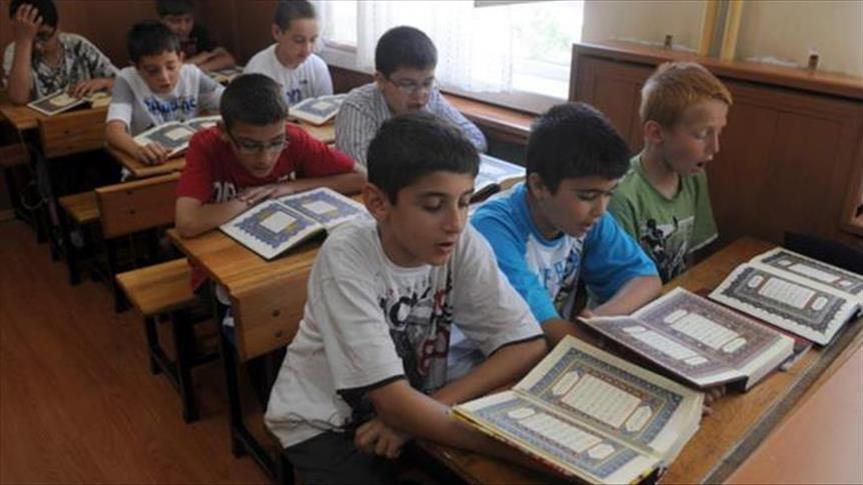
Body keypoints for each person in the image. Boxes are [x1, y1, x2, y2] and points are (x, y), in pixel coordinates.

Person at [265, 112, 546, 484]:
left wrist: (420, 413)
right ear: (378, 203)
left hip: (415, 403)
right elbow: (393, 402)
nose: (456, 223)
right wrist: (524, 452)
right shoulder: (347, 255)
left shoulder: (461, 243)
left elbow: (526, 345)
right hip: (324, 423)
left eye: (464, 202)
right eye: (433, 206)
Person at [472, 103, 661, 346]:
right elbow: (544, 326)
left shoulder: (586, 218)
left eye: (609, 193)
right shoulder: (493, 229)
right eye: (587, 196)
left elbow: (646, 279)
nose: (601, 209)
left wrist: (600, 318)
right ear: (539, 186)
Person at [175, 73, 363, 291]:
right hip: (220, 267)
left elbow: (363, 178)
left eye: (276, 142)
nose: (265, 158)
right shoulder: (206, 146)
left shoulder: (294, 138)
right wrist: (250, 200)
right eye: (250, 145)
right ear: (224, 132)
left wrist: (290, 187)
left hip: (284, 257)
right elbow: (187, 222)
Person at [608, 62, 732, 282]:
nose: (715, 148)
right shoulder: (622, 194)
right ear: (656, 133)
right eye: (702, 134)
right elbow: (619, 283)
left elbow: (691, 260)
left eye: (719, 133)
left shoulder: (694, 177)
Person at [335, 26, 486, 168]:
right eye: (408, 85)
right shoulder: (357, 107)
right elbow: (364, 169)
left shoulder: (432, 97)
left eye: (427, 82)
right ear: (381, 80)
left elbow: (476, 140)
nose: (420, 96)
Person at [105, 20, 224, 166]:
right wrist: (138, 150)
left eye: (171, 67)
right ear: (136, 67)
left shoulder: (191, 74)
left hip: (191, 158)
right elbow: (113, 131)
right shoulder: (127, 79)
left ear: (180, 59)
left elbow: (230, 102)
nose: (164, 77)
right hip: (148, 162)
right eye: (152, 71)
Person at [3, 0, 116, 104]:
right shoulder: (15, 51)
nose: (38, 46)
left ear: (58, 28)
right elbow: (18, 98)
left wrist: (104, 82)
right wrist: (24, 41)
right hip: (39, 119)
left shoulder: (77, 45)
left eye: (44, 36)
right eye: (32, 39)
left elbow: (122, 81)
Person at [244, 0, 332, 106]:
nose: (307, 49)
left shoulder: (318, 67)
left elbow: (327, 110)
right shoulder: (257, 70)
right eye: (299, 40)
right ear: (277, 32)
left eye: (313, 40)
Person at [155, 0, 236, 72]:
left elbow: (228, 59)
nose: (183, 28)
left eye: (188, 20)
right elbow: (166, 71)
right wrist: (196, 60)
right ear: (162, 21)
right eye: (176, 21)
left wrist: (197, 70)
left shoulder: (197, 31)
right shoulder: (155, 38)